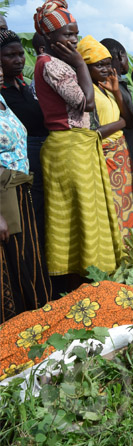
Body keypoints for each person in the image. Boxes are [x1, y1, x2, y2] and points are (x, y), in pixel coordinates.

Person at [33, 0, 122, 282]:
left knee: (91, 212)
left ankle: (96, 275)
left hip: (80, 145)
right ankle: (80, 281)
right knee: (79, 215)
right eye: (67, 35)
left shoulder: (60, 63)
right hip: (68, 147)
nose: (73, 40)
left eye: (75, 33)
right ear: (49, 38)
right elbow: (86, 104)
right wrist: (81, 63)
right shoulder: (50, 65)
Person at [78, 36, 133, 241]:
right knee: (115, 212)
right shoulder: (87, 93)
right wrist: (121, 123)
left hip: (121, 157)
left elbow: (130, 121)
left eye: (108, 65)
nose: (106, 70)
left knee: (131, 210)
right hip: (106, 158)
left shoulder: (105, 89)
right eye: (98, 65)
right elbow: (94, 132)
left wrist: (117, 92)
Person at [0, 44, 52, 316]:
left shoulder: (6, 99)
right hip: (3, 192)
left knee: (26, 255)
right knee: (13, 260)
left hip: (20, 186)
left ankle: (36, 316)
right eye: (8, 57)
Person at [1, 30, 49, 248]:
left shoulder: (25, 87)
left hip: (36, 159)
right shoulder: (4, 93)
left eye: (21, 54)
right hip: (13, 172)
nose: (19, 60)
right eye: (11, 55)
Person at [100, 38, 133, 180]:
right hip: (121, 156)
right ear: (119, 55)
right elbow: (126, 120)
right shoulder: (107, 86)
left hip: (129, 156)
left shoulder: (120, 84)